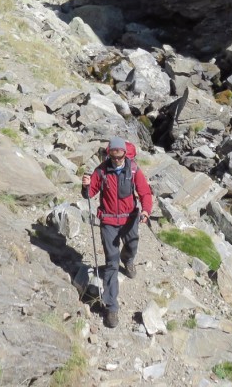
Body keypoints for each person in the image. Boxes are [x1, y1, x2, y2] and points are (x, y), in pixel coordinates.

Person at [81, 136, 153, 328]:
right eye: (113, 155)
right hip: (109, 221)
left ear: (124, 153)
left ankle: (128, 260)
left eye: (120, 155)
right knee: (111, 262)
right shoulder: (101, 171)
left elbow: (145, 193)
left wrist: (145, 211)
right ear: (109, 153)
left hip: (130, 220)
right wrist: (86, 185)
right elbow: (90, 193)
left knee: (132, 245)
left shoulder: (134, 170)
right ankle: (111, 308)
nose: (117, 159)